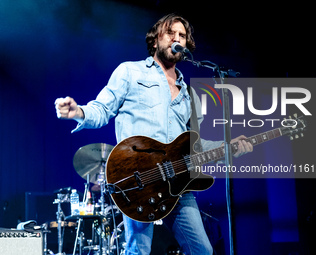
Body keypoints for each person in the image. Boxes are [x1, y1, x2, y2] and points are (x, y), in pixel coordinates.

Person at [55, 13, 253, 255]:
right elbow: (102, 109)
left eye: (182, 35)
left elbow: (195, 146)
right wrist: (79, 112)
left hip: (179, 185)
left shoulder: (190, 95)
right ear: (157, 38)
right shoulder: (130, 72)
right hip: (139, 179)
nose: (177, 38)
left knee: (203, 250)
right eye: (171, 33)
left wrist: (229, 146)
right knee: (138, 250)